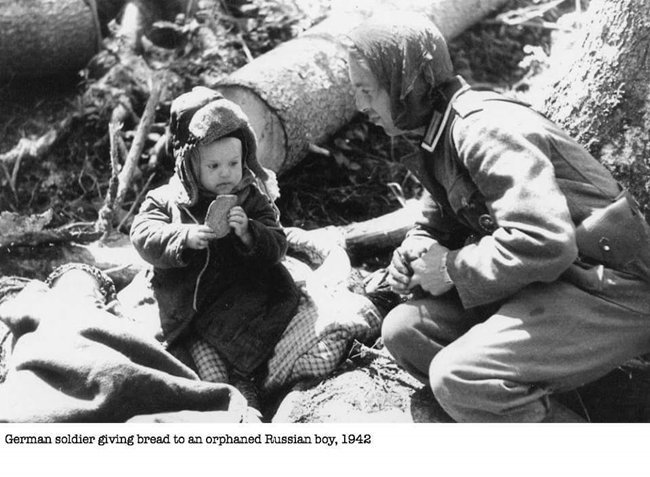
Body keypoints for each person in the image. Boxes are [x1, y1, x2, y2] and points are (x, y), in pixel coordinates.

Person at [346, 12, 650, 422]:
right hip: (553, 282)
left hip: (609, 287)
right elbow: (437, 223)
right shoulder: (437, 135)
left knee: (460, 378)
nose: (360, 105)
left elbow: (546, 240)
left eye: (367, 90)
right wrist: (416, 248)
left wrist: (452, 269)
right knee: (407, 331)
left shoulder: (482, 128)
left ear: (408, 88)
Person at [130, 87, 300, 410]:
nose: (226, 174)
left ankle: (245, 379)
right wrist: (182, 237)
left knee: (268, 313)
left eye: (233, 163)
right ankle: (218, 395)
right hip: (190, 298)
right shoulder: (167, 200)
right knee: (189, 349)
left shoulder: (250, 195)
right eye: (214, 166)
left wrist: (251, 232)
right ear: (189, 166)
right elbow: (141, 233)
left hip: (240, 292)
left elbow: (278, 243)